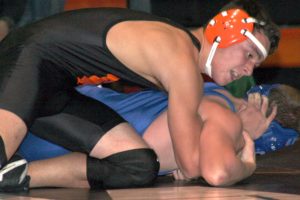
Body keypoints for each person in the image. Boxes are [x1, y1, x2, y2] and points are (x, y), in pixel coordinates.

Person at [0, 0, 279, 190]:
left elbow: (190, 162)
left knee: (137, 164)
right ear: (226, 31)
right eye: (250, 54)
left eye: (255, 64)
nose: (247, 69)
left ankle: (16, 177)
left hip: (54, 87)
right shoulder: (182, 61)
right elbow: (195, 167)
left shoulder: (182, 55)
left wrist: (189, 160)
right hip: (28, 59)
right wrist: (247, 166)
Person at [1, 82, 288, 191]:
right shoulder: (223, 119)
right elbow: (218, 173)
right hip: (76, 133)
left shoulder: (212, 91)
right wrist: (247, 161)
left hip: (75, 108)